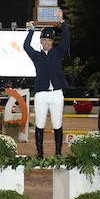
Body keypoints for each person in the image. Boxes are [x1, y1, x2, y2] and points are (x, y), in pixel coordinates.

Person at [24, 11, 69, 158]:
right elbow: (26, 46)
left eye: (49, 40)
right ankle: (40, 153)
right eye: (44, 40)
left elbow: (67, 39)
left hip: (56, 94)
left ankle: (57, 153)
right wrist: (31, 30)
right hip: (41, 94)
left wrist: (62, 22)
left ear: (52, 41)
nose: (46, 42)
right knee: (40, 123)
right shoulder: (36, 56)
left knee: (57, 124)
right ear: (41, 41)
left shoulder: (58, 53)